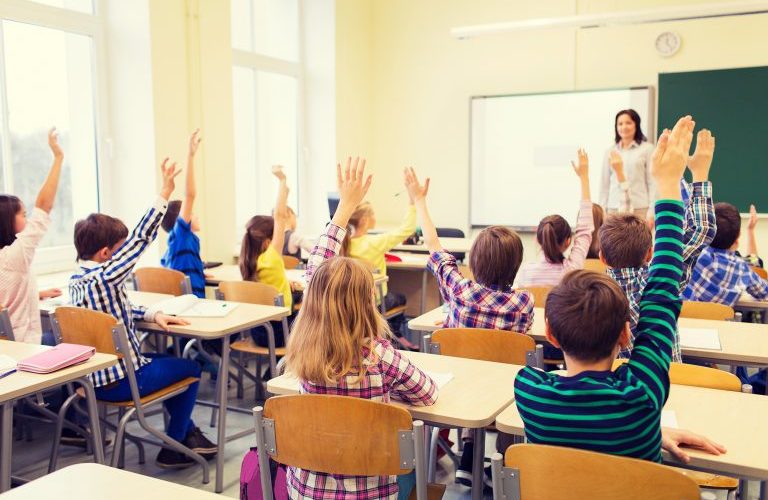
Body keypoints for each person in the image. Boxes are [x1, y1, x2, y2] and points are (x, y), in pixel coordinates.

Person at [514, 116, 696, 461]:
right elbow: (661, 292)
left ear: (550, 333)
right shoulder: (643, 395)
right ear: (627, 334)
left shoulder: (529, 392)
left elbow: (662, 292)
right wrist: (669, 185)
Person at [284, 157, 437, 499]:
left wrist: (344, 207)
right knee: (418, 472)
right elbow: (426, 394)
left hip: (305, 492)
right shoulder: (379, 356)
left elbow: (316, 273)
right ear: (368, 302)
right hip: (369, 493)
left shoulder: (303, 350)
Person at [70, 158, 216, 469]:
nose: (127, 255)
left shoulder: (77, 282)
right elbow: (140, 239)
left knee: (169, 363)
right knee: (190, 368)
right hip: (123, 380)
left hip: (90, 381)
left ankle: (185, 434)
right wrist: (164, 192)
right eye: (120, 250)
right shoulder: (105, 276)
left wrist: (151, 314)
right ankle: (174, 445)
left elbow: (113, 311)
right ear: (107, 254)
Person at [600, 128, 717, 361]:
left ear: (601, 256)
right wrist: (696, 174)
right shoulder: (661, 280)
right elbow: (701, 230)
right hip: (666, 390)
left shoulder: (591, 295)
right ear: (650, 253)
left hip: (613, 391)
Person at [0, 128, 64, 344]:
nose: (28, 220)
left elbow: (6, 298)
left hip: (7, 349)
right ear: (7, 221)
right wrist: (58, 157)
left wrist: (37, 293)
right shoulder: (14, 256)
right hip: (25, 346)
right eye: (23, 214)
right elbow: (44, 207)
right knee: (70, 337)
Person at [515, 149, 594, 289]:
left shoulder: (525, 272)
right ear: (568, 241)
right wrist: (584, 177)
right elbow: (585, 230)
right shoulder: (571, 271)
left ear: (538, 240)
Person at [160, 129, 206, 298]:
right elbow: (190, 194)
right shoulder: (181, 237)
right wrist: (190, 156)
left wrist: (199, 271)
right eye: (191, 213)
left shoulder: (175, 246)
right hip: (193, 307)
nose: (196, 215)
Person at [599, 109, 655, 217]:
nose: (624, 127)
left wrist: (651, 211)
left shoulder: (647, 149)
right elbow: (604, 184)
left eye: (628, 123)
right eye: (620, 124)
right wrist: (602, 210)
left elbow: (652, 182)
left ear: (636, 125)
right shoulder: (610, 151)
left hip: (640, 208)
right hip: (614, 208)